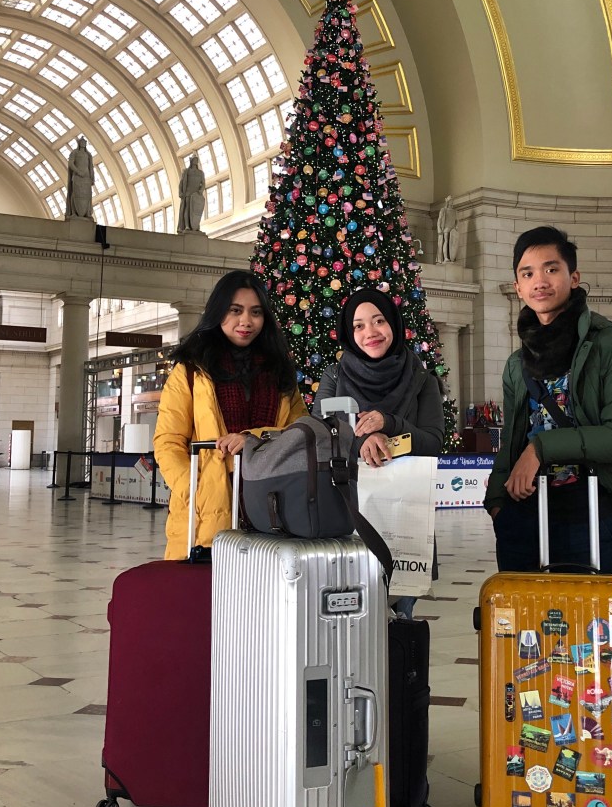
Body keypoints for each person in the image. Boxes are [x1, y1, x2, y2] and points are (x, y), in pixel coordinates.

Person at [484, 225, 612, 572]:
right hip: (525, 514)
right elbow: (513, 439)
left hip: (591, 508)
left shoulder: (611, 345)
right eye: (528, 273)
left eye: (551, 269)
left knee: (590, 607)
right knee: (523, 607)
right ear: (518, 287)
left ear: (574, 277)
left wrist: (540, 448)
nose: (540, 281)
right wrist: (497, 503)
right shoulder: (517, 364)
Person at [153, 271, 306, 559]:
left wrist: (252, 439)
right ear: (218, 311)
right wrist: (195, 489)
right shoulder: (191, 370)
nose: (246, 321)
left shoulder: (280, 371)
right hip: (206, 516)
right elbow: (168, 441)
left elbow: (299, 434)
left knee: (263, 585)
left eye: (256, 312)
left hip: (271, 508)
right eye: (235, 310)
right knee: (204, 586)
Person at [314, 288, 444, 617]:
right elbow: (319, 434)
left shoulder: (421, 379)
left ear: (394, 324)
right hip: (346, 512)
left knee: (399, 622)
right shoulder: (334, 375)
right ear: (349, 333)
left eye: (379, 321)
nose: (370, 332)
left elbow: (432, 441)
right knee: (345, 617)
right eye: (358, 326)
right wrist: (362, 442)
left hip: (403, 515)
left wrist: (389, 423)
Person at [65, 137, 95, 219]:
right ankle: (74, 212)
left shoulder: (88, 155)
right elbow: (71, 163)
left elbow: (90, 167)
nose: (83, 143)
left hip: (86, 178)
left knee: (87, 195)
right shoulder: (75, 152)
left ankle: (87, 212)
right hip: (77, 177)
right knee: (75, 193)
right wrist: (78, 171)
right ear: (79, 143)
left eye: (84, 142)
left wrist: (92, 177)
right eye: (81, 142)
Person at [177, 155, 206, 233]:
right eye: (194, 160)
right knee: (187, 209)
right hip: (188, 192)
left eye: (196, 160)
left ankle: (195, 226)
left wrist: (201, 190)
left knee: (195, 210)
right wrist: (180, 192)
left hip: (196, 194)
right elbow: (181, 183)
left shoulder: (200, 173)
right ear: (191, 161)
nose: (195, 161)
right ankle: (187, 225)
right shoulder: (187, 171)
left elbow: (203, 183)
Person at [436, 196, 460, 263]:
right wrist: (439, 228)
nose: (452, 202)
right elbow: (440, 219)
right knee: (446, 241)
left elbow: (457, 220)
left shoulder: (455, 211)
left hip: (453, 229)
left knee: (452, 243)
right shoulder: (443, 210)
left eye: (452, 201)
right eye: (450, 201)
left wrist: (456, 226)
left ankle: (451, 257)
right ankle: (445, 257)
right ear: (448, 202)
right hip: (446, 228)